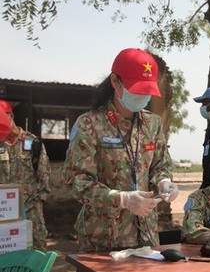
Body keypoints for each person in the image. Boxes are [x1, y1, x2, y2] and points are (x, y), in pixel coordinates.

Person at [62, 48, 178, 252]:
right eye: (137, 90)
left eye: (147, 91)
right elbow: (77, 183)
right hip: (103, 239)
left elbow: (161, 165)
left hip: (147, 235)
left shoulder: (152, 123)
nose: (143, 97)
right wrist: (122, 199)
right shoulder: (90, 125)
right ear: (115, 82)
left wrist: (164, 182)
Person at [0, 100, 51, 251]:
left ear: (11, 115)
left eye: (4, 116)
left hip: (30, 208)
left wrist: (37, 204)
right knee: (7, 250)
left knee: (37, 248)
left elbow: (43, 175)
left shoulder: (32, 142)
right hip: (4, 210)